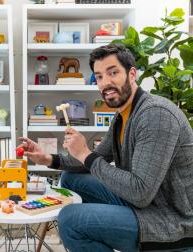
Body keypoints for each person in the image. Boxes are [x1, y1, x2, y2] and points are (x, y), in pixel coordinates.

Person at [18, 44, 193, 251]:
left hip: (169, 220)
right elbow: (93, 158)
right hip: (142, 205)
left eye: (113, 73)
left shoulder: (156, 114)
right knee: (71, 178)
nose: (105, 83)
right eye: (99, 76)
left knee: (71, 220)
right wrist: (48, 159)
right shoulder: (122, 116)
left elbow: (140, 192)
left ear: (132, 74)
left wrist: (85, 153)